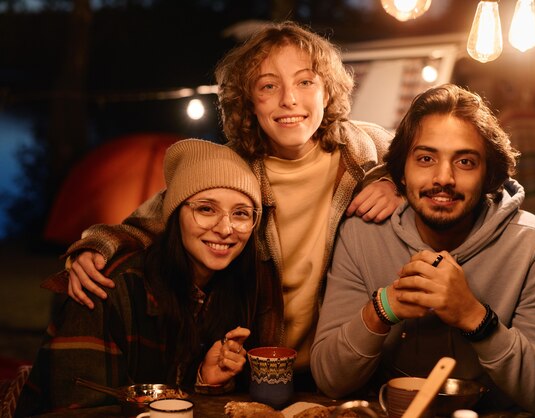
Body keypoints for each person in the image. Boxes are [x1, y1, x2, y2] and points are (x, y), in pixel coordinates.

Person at [60, 21, 402, 376]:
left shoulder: (365, 152)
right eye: (269, 86)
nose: (289, 99)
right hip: (257, 365)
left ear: (327, 92)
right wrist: (95, 246)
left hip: (346, 364)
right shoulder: (232, 166)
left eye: (305, 81)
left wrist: (392, 179)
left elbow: (429, 161)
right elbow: (156, 217)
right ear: (248, 100)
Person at [310, 84, 535, 417]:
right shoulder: (363, 235)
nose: (443, 177)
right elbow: (330, 380)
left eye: (465, 161)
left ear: (489, 175)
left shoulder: (534, 243)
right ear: (401, 173)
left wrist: (474, 317)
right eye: (425, 158)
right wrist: (384, 307)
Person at [15, 139, 273, 415]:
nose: (225, 228)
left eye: (241, 214)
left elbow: (173, 396)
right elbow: (73, 407)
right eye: (206, 209)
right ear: (174, 214)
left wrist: (204, 380)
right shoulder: (108, 285)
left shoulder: (235, 287)